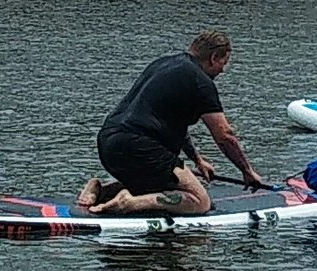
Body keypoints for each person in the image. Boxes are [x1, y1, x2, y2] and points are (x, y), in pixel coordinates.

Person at [78, 30, 268, 216]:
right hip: (139, 147)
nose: (222, 70)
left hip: (107, 142)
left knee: (158, 184)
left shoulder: (162, 64)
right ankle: (129, 202)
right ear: (213, 58)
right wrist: (247, 172)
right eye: (223, 63)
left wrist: (198, 161)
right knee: (200, 201)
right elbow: (224, 135)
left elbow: (175, 125)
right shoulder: (201, 82)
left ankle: (101, 191)